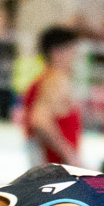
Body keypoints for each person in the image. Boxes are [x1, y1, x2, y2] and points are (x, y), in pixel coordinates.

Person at [23, 26, 83, 167]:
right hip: (56, 165)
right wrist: (69, 154)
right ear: (57, 52)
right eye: (73, 52)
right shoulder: (56, 80)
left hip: (49, 164)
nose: (75, 58)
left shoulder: (41, 81)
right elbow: (39, 120)